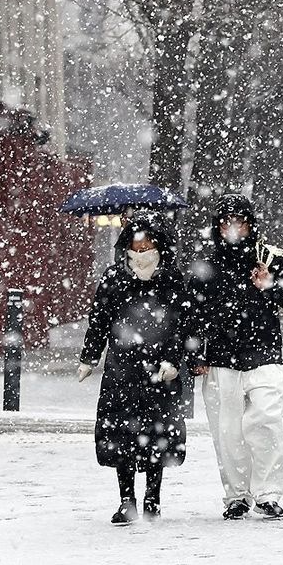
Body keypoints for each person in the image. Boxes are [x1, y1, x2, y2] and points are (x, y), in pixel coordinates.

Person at [187, 194, 283, 521]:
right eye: (226, 222)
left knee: (265, 421)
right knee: (227, 432)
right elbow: (193, 312)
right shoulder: (207, 265)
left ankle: (267, 494)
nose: (233, 228)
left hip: (264, 354)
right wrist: (196, 353)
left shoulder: (268, 257)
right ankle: (237, 495)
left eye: (239, 221)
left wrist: (270, 285)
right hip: (222, 358)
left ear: (250, 225)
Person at [78, 211, 192, 525]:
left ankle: (152, 499)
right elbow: (99, 321)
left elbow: (182, 325)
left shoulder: (171, 279)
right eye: (136, 246)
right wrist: (89, 357)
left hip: (159, 370)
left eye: (147, 246)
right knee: (121, 435)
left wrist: (173, 360)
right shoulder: (114, 278)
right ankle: (126, 500)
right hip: (122, 370)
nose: (141, 253)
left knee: (157, 434)